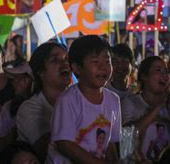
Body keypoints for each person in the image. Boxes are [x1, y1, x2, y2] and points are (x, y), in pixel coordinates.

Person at [47, 35, 121, 163]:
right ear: (77, 68)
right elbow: (65, 144)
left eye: (107, 61)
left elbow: (110, 143)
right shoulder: (68, 100)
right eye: (95, 62)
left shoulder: (113, 100)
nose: (103, 67)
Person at [121, 56, 170, 162]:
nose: (164, 75)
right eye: (158, 70)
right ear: (144, 76)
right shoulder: (131, 103)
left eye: (166, 71)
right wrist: (158, 107)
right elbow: (127, 137)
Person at [16, 42, 71, 162]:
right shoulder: (29, 109)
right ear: (40, 71)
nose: (65, 64)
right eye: (55, 60)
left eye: (67, 59)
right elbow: (45, 149)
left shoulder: (78, 100)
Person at [0, 62, 33, 152]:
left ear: (28, 80)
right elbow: (1, 143)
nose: (13, 82)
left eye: (17, 78)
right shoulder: (8, 107)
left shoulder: (41, 104)